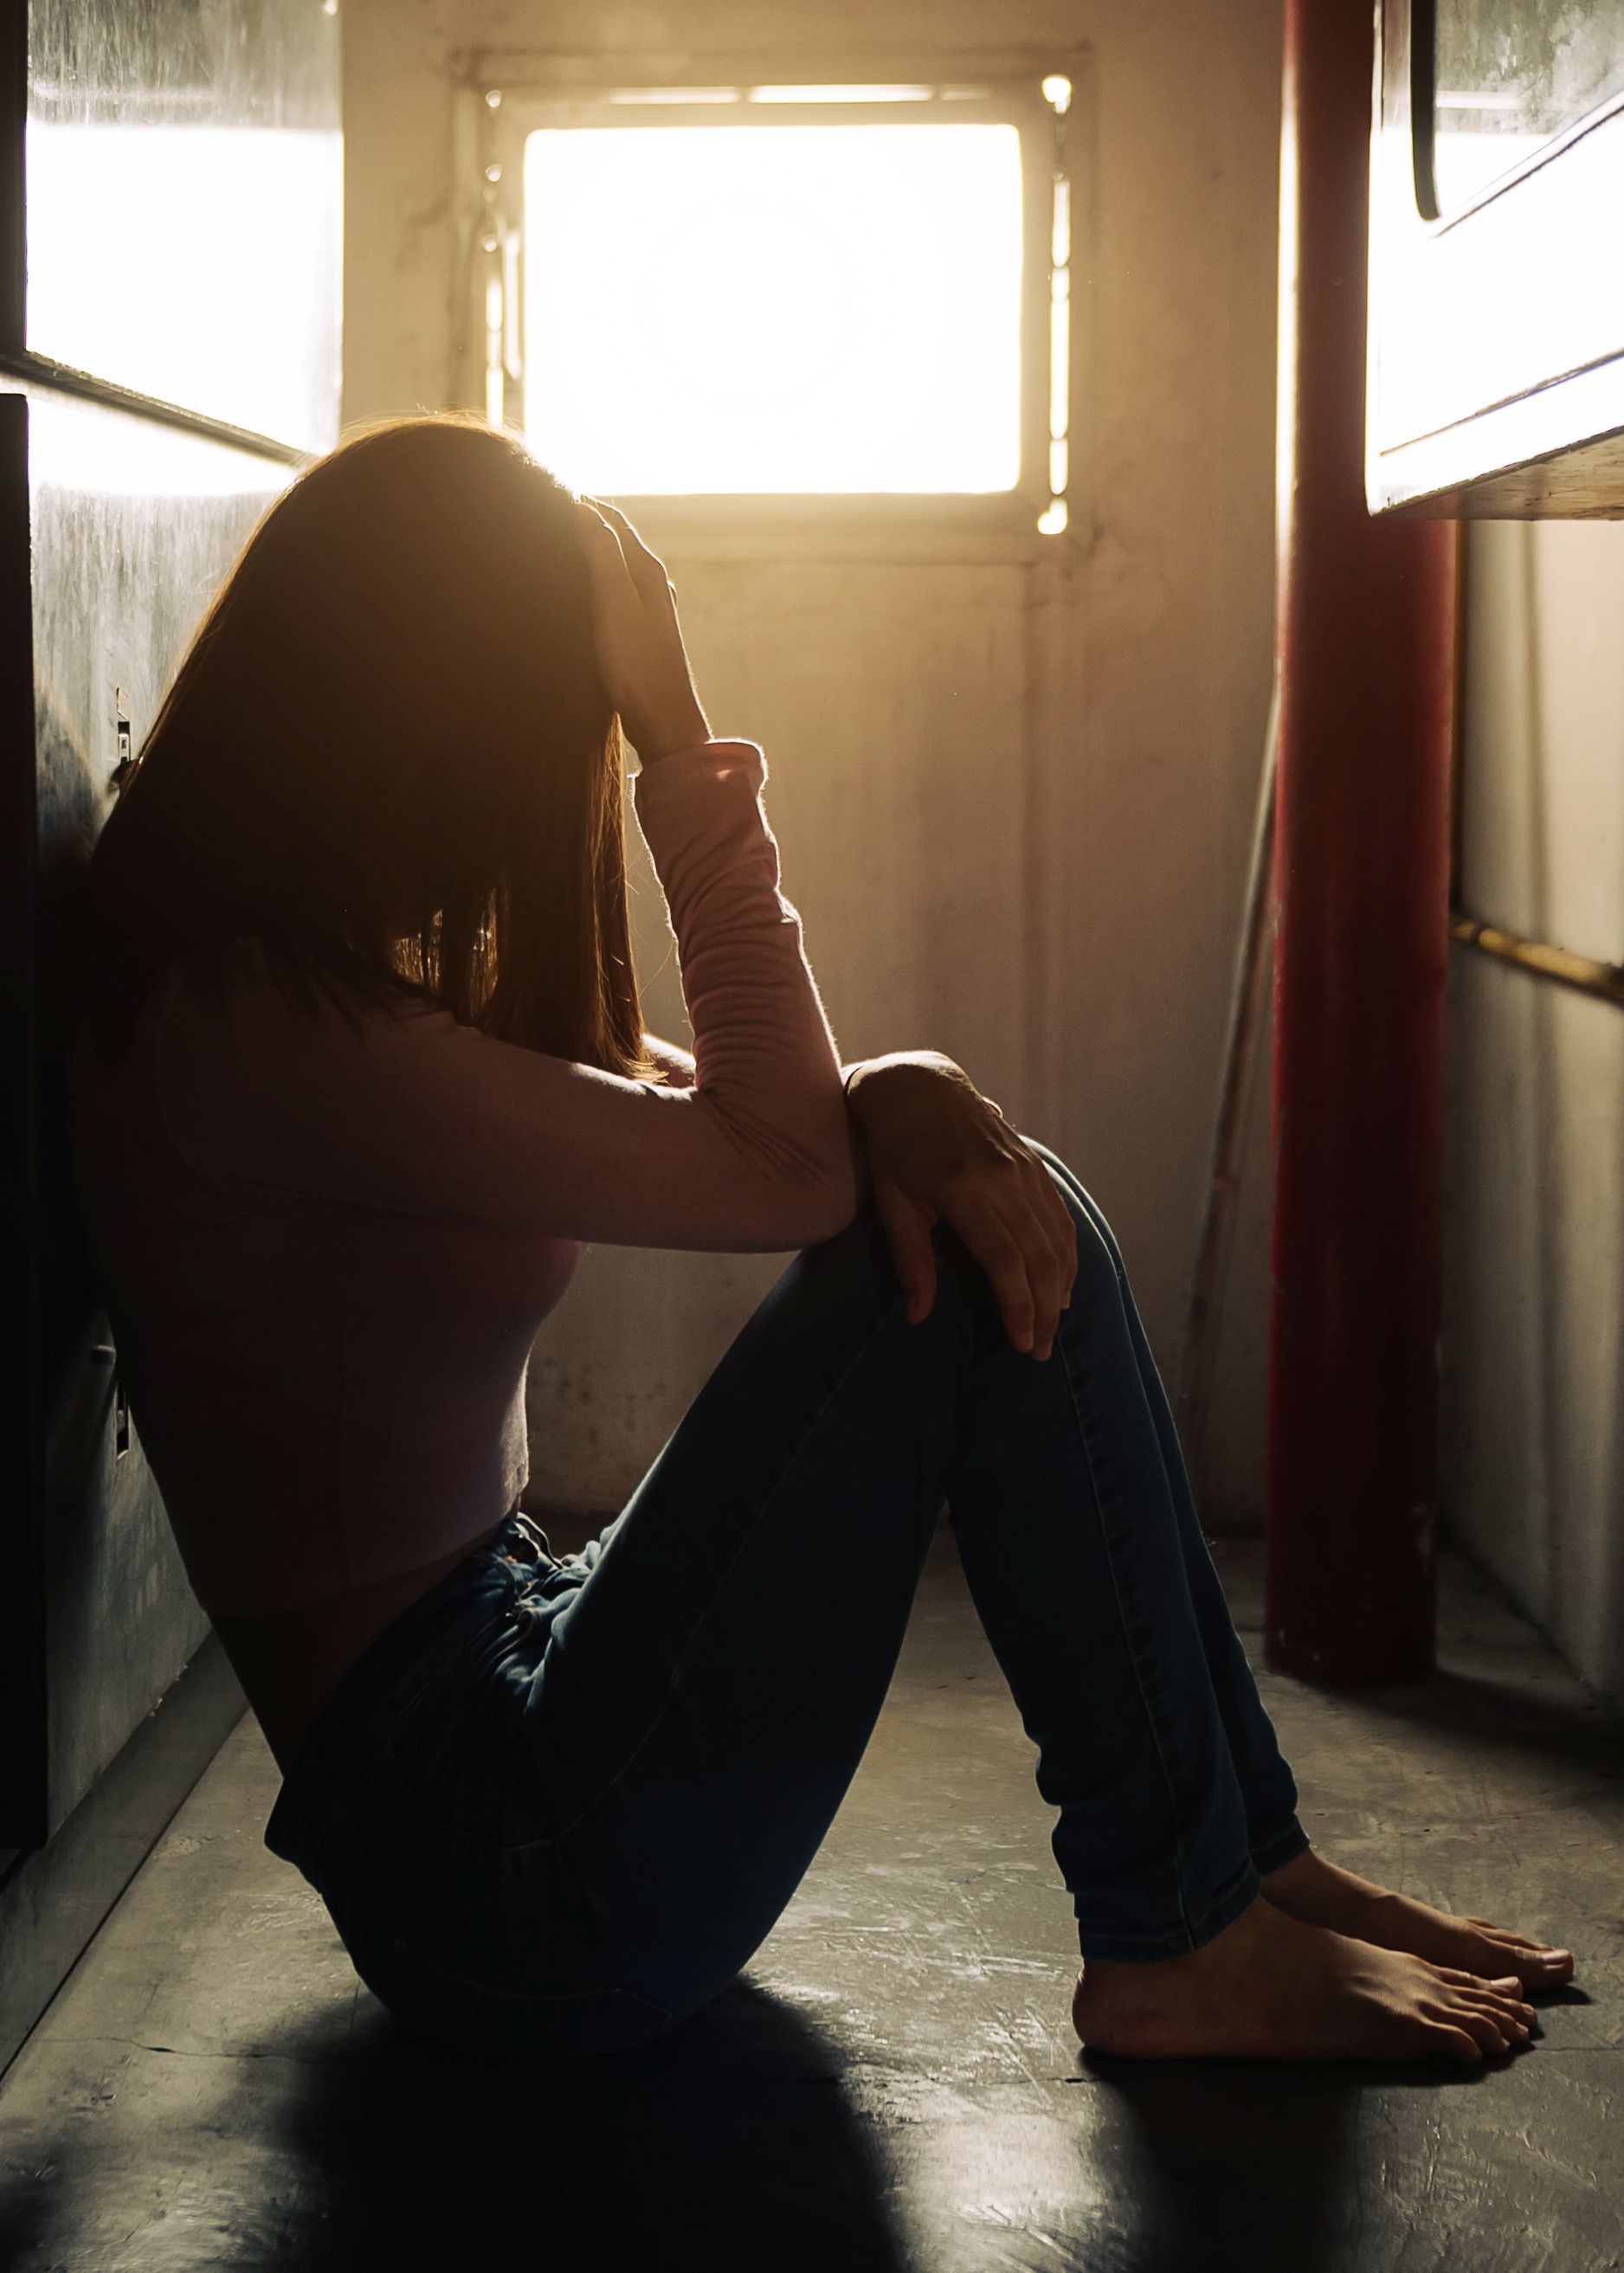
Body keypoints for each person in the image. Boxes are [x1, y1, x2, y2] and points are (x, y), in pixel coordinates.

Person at [67, 415, 1570, 2067]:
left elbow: (720, 1109)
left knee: (1005, 1186)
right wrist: (676, 733)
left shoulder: (283, 984)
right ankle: (1183, 1927)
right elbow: (782, 1167)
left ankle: (1238, 1863)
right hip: (496, 1869)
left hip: (508, 1702)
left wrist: (900, 1090)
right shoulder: (255, 1028)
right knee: (955, 1257)